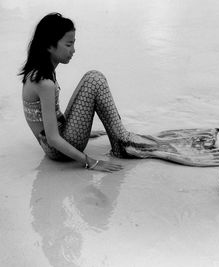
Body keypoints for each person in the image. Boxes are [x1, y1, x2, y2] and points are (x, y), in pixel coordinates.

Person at [20, 13, 155, 172]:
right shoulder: (44, 83)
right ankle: (122, 142)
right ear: (49, 46)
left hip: (58, 141)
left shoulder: (38, 73)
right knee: (94, 79)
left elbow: (52, 118)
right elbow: (53, 138)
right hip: (58, 150)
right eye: (69, 45)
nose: (74, 50)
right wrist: (90, 162)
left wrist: (81, 128)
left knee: (92, 77)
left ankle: (119, 136)